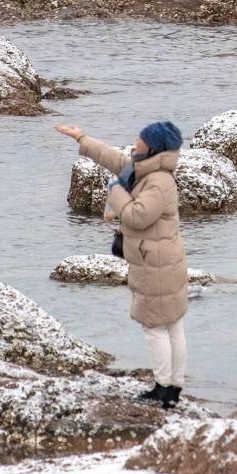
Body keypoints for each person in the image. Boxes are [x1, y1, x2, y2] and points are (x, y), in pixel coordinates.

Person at [55, 119, 189, 407]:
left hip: (157, 265)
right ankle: (171, 387)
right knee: (171, 325)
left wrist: (115, 191)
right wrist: (82, 138)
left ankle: (164, 390)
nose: (135, 141)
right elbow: (113, 158)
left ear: (152, 147)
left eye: (140, 139)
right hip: (159, 261)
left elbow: (138, 216)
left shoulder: (159, 181)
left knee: (156, 327)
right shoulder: (144, 169)